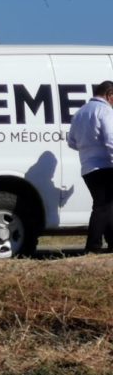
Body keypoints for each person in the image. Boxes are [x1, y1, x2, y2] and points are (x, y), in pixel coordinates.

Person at [67, 80, 113, 253]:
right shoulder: (105, 111)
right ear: (109, 95)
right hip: (105, 165)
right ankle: (92, 247)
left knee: (107, 204)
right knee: (102, 206)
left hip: (87, 167)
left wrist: (88, 147)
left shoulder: (80, 113)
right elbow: (111, 139)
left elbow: (71, 142)